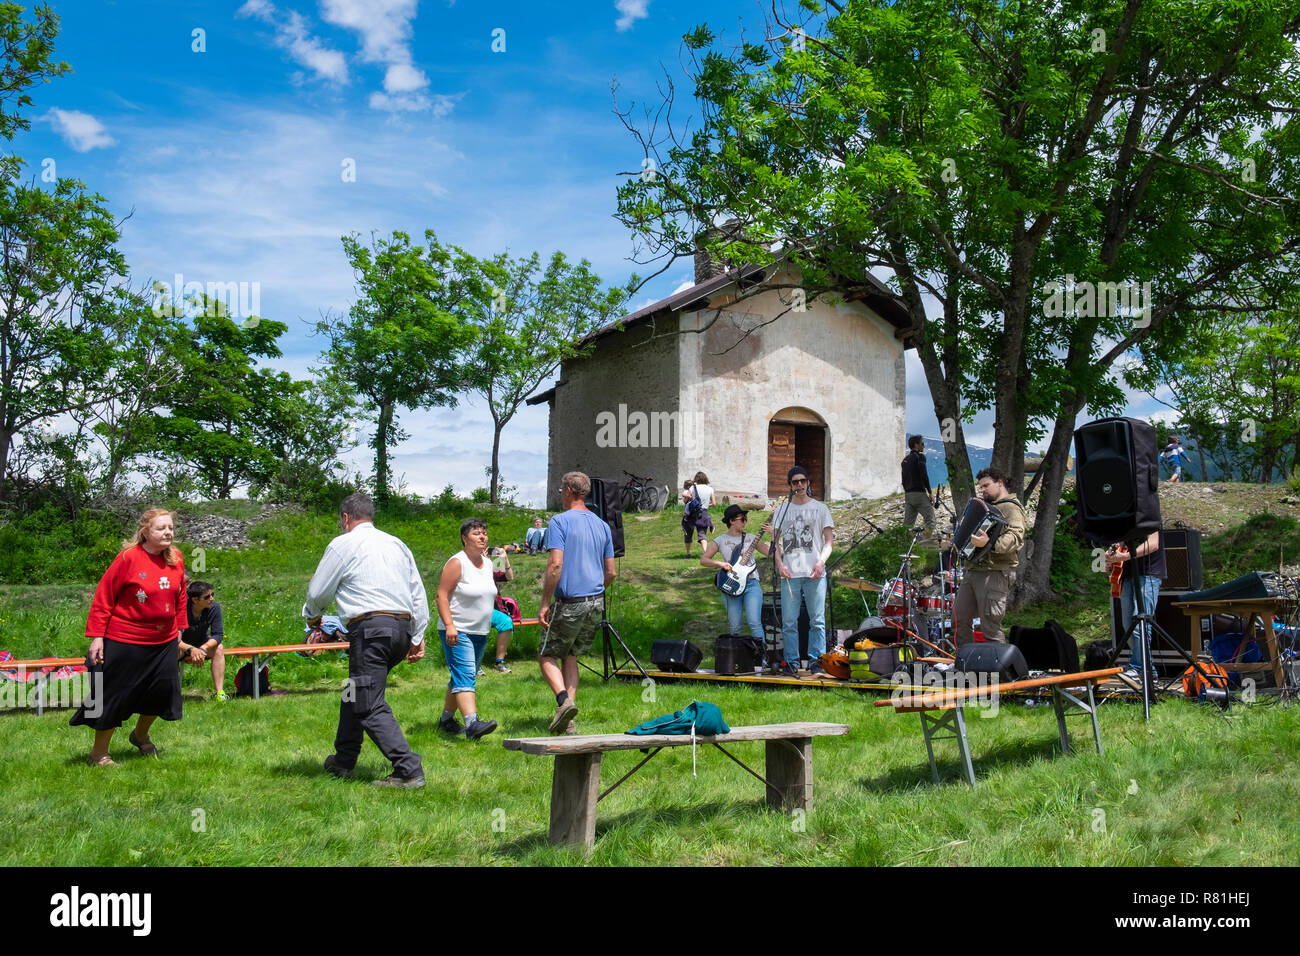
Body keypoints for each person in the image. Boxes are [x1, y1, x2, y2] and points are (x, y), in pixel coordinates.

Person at [304, 493, 428, 788]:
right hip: (400, 630)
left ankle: (408, 768)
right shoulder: (397, 544)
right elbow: (417, 591)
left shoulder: (343, 544)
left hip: (372, 631)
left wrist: (312, 617)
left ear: (346, 518)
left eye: (340, 520)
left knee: (368, 703)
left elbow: (319, 591)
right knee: (355, 689)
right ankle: (344, 760)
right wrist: (419, 633)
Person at [71, 509, 188, 766]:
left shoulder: (175, 558)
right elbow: (104, 596)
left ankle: (140, 734)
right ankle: (98, 754)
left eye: (170, 527)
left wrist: (179, 632)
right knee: (114, 694)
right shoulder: (128, 559)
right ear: (146, 531)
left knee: (163, 690)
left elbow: (180, 596)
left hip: (164, 641)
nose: (168, 532)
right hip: (126, 639)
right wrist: (97, 637)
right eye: (161, 528)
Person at [538, 471, 615, 735]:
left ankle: (562, 701)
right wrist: (593, 591)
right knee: (570, 655)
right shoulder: (603, 525)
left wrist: (545, 603)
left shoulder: (559, 521)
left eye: (561, 489)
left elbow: (556, 564)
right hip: (595, 603)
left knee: (546, 654)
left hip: (569, 602)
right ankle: (568, 719)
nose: (560, 493)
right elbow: (612, 572)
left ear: (570, 490)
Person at [434, 519, 499, 741]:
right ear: (464, 538)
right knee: (465, 676)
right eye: (476, 534)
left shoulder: (488, 563)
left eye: (484, 533)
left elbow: (502, 581)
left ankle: (445, 721)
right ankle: (472, 724)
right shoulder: (457, 562)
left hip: (480, 631)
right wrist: (450, 625)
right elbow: (441, 595)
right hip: (457, 629)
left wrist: (505, 560)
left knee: (462, 676)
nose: (482, 537)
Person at [953, 467, 1027, 646]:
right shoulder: (986, 507)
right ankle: (967, 665)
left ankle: (999, 672)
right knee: (958, 620)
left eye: (986, 485)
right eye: (981, 487)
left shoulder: (1011, 507)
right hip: (973, 571)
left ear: (1000, 482)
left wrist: (988, 544)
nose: (983, 490)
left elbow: (1016, 538)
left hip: (994, 572)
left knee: (990, 626)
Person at [773, 466, 835, 676]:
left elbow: (829, 542)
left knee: (817, 620)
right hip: (790, 573)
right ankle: (791, 662)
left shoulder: (820, 508)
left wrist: (820, 562)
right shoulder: (782, 510)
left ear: (808, 483)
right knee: (789, 621)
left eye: (803, 481)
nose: (799, 485)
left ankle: (817, 661)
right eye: (795, 482)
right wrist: (780, 565)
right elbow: (775, 544)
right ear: (790, 485)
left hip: (814, 573)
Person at [701, 505, 772, 640]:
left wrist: (774, 535)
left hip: (751, 584)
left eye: (746, 519)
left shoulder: (751, 538)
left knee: (755, 623)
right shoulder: (720, 540)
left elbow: (771, 554)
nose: (745, 522)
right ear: (732, 521)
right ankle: (735, 658)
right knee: (735, 627)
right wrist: (721, 564)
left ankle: (761, 659)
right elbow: (703, 560)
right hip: (731, 584)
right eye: (742, 519)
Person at [1106, 528, 1166, 688]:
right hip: (1127, 574)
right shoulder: (1126, 519)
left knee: (1140, 624)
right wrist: (1112, 559)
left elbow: (1153, 544)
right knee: (1129, 625)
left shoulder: (1149, 514)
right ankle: (1149, 672)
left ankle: (1138, 668)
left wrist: (1125, 556)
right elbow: (1121, 544)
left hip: (1148, 573)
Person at [177, 580, 228, 701]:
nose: (212, 598)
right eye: (207, 597)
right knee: (170, 651)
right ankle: (170, 693)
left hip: (201, 644)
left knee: (219, 648)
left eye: (212, 595)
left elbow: (218, 635)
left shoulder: (214, 608)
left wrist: (202, 649)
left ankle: (219, 693)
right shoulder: (181, 608)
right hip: (181, 646)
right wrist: (191, 650)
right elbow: (174, 638)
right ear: (195, 600)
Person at [901, 435, 937, 540]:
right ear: (916, 445)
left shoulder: (905, 461)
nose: (924, 446)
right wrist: (930, 492)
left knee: (908, 525)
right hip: (919, 494)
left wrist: (907, 491)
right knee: (930, 520)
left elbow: (903, 480)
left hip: (908, 495)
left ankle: (906, 546)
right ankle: (922, 543)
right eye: (922, 443)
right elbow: (924, 474)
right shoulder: (920, 457)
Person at [487, 547, 515, 673]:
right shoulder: (470, 563)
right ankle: (474, 664)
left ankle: (499, 663)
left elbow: (509, 577)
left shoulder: (490, 566)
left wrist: (504, 559)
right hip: (473, 608)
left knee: (506, 621)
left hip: (492, 610)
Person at [682, 471, 715, 557]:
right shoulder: (710, 489)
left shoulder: (693, 488)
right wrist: (704, 505)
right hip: (703, 513)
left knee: (688, 534)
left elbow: (685, 501)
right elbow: (714, 503)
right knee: (702, 534)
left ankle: (688, 553)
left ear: (696, 479)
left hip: (691, 514)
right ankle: (705, 552)